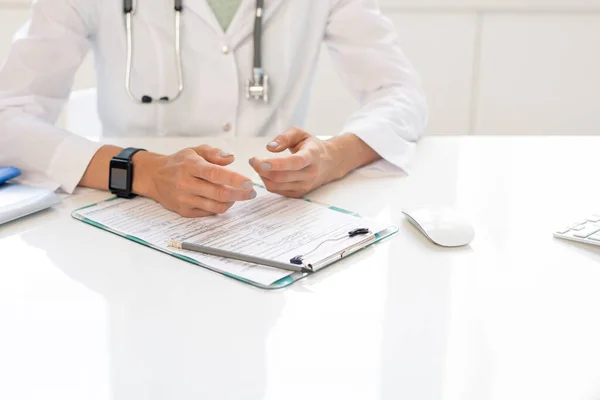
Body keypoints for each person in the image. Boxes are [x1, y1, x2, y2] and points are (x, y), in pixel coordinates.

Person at [0, 0, 427, 218]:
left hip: (272, 220)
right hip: (128, 213)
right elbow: (9, 116)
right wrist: (141, 171)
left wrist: (335, 155)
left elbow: (398, 91)